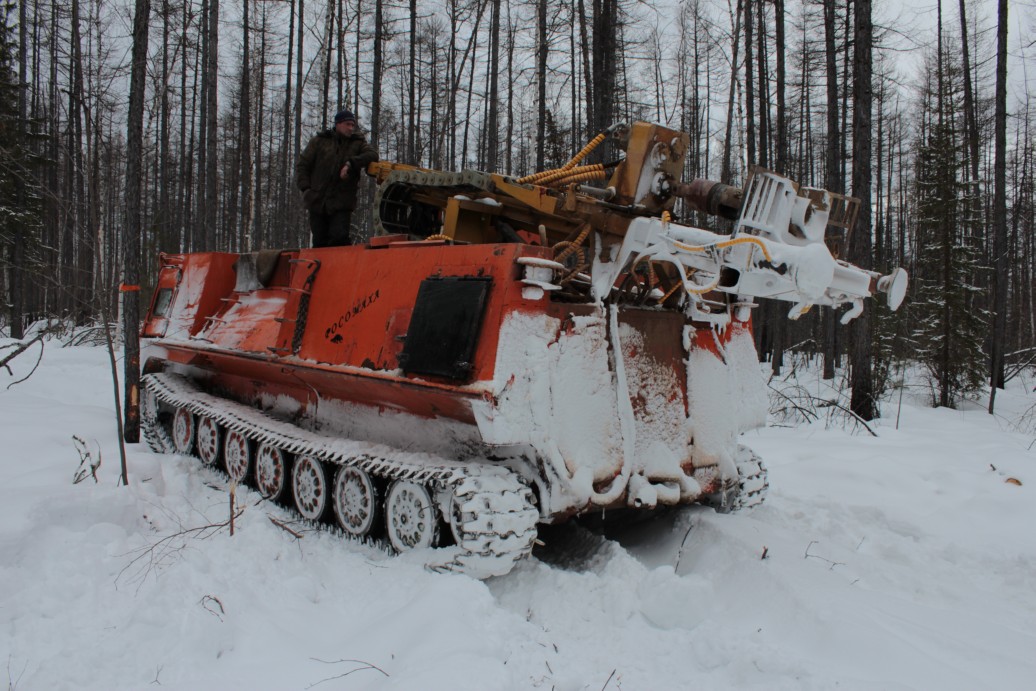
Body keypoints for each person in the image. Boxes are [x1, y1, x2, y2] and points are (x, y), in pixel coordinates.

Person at [295, 109, 379, 247]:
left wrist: (351, 163)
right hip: (317, 200)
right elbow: (303, 165)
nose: (350, 128)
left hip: (341, 202)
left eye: (353, 125)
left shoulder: (357, 143)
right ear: (338, 124)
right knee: (319, 241)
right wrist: (306, 189)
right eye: (347, 124)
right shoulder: (320, 141)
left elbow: (372, 155)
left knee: (339, 238)